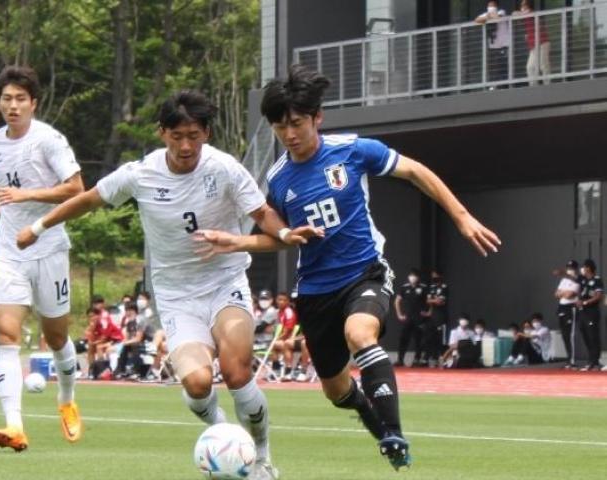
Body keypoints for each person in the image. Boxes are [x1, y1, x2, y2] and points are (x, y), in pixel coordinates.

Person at [195, 64, 501, 470]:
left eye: (298, 123)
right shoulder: (279, 178)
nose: (290, 134)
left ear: (316, 118)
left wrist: (461, 217)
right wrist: (238, 241)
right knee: (336, 391)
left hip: (364, 272)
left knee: (360, 333)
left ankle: (392, 431)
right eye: (280, 126)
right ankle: (378, 425)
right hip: (315, 291)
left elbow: (416, 171)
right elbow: (281, 237)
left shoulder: (354, 151)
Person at [14, 90, 317, 479]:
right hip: (176, 295)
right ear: (162, 133)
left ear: (206, 133)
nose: (186, 145)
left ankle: (261, 459)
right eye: (177, 136)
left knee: (238, 371)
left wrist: (286, 231)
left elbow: (261, 212)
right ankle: (224, 438)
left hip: (225, 281)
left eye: (194, 135)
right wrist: (38, 227)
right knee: (196, 382)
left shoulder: (224, 168)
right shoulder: (139, 174)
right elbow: (89, 200)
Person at [0, 65, 84, 451]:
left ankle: (67, 399)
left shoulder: (49, 140)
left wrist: (28, 197)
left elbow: (76, 188)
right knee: (6, 334)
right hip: (9, 250)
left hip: (49, 247)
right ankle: (14, 426)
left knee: (56, 336)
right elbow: (5, 186)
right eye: (7, 98)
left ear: (33, 103)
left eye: (21, 99)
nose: (13, 105)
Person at [394, 268, 428, 367]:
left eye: (414, 276)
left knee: (419, 339)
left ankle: (417, 359)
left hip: (419, 317)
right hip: (408, 317)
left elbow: (429, 301)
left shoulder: (423, 287)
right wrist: (399, 314)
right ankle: (400, 359)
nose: (412, 278)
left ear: (417, 278)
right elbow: (397, 301)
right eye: (411, 276)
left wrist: (428, 312)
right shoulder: (404, 287)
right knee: (403, 338)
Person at [514, 0, 550, 86]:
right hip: (533, 46)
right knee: (530, 67)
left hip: (542, 42)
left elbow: (519, 14)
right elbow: (514, 14)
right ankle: (533, 86)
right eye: (521, 5)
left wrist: (519, 13)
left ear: (528, 5)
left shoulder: (531, 13)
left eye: (524, 5)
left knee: (543, 65)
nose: (522, 7)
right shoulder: (525, 17)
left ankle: (548, 85)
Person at [475, 1, 510, 85]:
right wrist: (487, 17)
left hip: (503, 45)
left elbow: (497, 17)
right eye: (489, 5)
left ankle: (504, 85)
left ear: (496, 6)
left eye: (492, 5)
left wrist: (488, 17)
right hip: (493, 46)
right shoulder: (486, 14)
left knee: (503, 66)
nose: (490, 7)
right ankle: (493, 85)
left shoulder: (501, 12)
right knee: (493, 67)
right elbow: (477, 20)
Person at [577, 259, 603, 371]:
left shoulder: (597, 280)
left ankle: (595, 361)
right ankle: (590, 359)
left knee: (593, 336)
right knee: (584, 333)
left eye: (584, 266)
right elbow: (580, 293)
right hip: (582, 311)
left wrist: (586, 302)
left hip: (592, 311)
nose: (583, 268)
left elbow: (599, 296)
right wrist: (579, 301)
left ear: (589, 268)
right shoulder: (583, 280)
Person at [555, 260, 580, 369]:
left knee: (570, 335)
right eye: (568, 267)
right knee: (564, 335)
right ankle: (568, 359)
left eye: (572, 268)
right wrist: (563, 293)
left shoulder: (577, 280)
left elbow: (570, 295)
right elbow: (556, 294)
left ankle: (572, 360)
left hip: (571, 308)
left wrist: (563, 293)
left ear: (576, 269)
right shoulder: (564, 280)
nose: (570, 270)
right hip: (562, 307)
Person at [270, 292, 299, 381]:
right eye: (279, 299)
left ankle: (288, 370)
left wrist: (277, 339)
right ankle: (277, 369)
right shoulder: (277, 312)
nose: (281, 302)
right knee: (273, 345)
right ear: (276, 301)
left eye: (284, 300)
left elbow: (286, 333)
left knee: (273, 344)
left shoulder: (289, 312)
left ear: (288, 302)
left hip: (290, 340)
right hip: (282, 340)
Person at [423, 269, 448, 367]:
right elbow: (428, 301)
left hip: (441, 317)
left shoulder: (444, 287)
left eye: (435, 275)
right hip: (433, 316)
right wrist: (430, 310)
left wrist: (433, 300)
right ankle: (431, 358)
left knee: (441, 339)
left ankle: (442, 358)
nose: (434, 278)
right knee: (430, 337)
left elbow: (440, 302)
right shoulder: (431, 287)